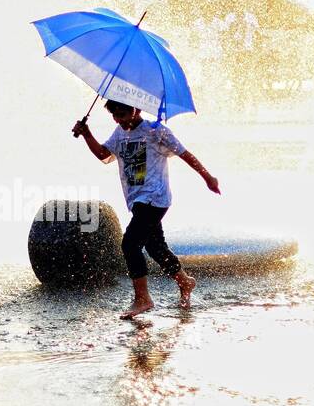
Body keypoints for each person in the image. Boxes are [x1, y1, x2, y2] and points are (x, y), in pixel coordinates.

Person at [73, 98, 220, 319]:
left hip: (155, 198)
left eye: (124, 114)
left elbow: (184, 154)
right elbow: (104, 154)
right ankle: (185, 282)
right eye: (115, 115)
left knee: (130, 243)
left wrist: (207, 177)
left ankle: (143, 299)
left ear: (137, 109)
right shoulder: (119, 133)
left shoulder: (155, 131)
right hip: (136, 200)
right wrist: (86, 134)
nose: (120, 119)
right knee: (154, 247)